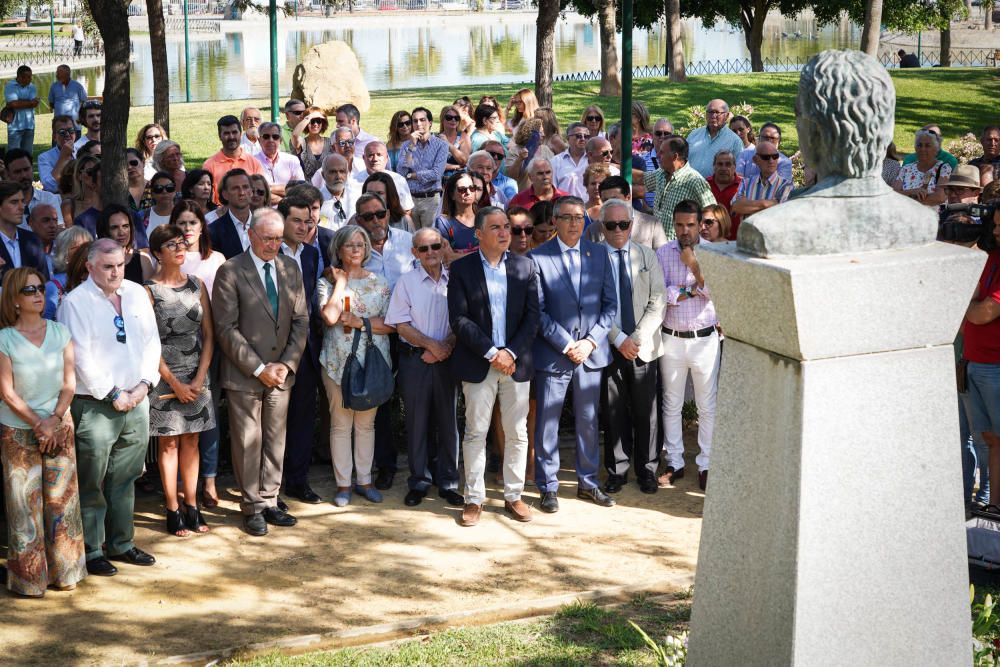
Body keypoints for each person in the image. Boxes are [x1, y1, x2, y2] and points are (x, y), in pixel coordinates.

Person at [57, 238, 161, 576]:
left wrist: (144, 384)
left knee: (126, 477)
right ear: (90, 267)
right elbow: (80, 355)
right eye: (107, 266)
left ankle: (122, 544)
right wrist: (113, 393)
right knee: (92, 480)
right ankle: (91, 549)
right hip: (96, 404)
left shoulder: (135, 293)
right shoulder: (75, 302)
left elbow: (151, 341)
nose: (115, 272)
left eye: (119, 264)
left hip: (137, 398)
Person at [212, 208, 308, 536]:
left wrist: (286, 364)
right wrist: (258, 368)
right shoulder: (230, 270)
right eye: (267, 238)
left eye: (279, 239)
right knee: (247, 440)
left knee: (275, 437)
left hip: (282, 373)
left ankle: (270, 499)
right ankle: (252, 505)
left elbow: (300, 321)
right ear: (251, 235)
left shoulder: (290, 267)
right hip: (244, 374)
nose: (272, 245)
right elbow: (225, 328)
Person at [448, 207, 539, 526]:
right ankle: (474, 499)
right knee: (476, 432)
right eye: (496, 227)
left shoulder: (525, 267)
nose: (504, 233)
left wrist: (510, 352)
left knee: (517, 432)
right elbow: (458, 319)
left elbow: (533, 317)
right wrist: (491, 352)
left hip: (516, 363)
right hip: (478, 362)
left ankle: (513, 495)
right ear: (479, 233)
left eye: (507, 228)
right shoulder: (462, 269)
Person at [0, 267, 85, 596]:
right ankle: (29, 582)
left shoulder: (60, 332)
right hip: (18, 430)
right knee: (25, 507)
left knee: (61, 503)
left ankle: (65, 574)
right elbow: (6, 392)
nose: (39, 294)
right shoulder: (5, 338)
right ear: (15, 300)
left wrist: (54, 420)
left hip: (59, 427)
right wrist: (39, 424)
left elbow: (69, 383)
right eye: (30, 290)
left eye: (41, 288)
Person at [530, 196, 617, 512]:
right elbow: (537, 312)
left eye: (579, 217)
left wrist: (591, 342)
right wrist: (567, 344)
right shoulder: (537, 257)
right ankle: (548, 486)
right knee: (548, 424)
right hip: (556, 355)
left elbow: (610, 306)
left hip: (590, 354)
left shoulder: (599, 253)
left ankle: (588, 483)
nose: (574, 223)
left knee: (589, 421)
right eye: (566, 217)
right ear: (554, 221)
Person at [145, 224, 215, 537]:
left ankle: (192, 505)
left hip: (198, 373)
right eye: (171, 245)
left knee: (193, 440)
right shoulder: (148, 291)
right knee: (169, 441)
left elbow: (210, 335)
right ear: (158, 253)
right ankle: (172, 509)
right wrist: (173, 382)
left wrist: (199, 377)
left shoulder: (197, 284)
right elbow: (147, 342)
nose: (179, 248)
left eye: (182, 243)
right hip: (164, 375)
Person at [384, 228, 461, 507]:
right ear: (414, 253)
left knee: (448, 421)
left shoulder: (456, 279)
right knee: (417, 423)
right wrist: (431, 347)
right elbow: (400, 324)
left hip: (448, 359)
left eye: (435, 246)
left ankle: (449, 481)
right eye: (423, 248)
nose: (430, 252)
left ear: (443, 248)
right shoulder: (406, 282)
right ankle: (419, 481)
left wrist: (444, 349)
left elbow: (462, 320)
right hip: (415, 360)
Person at [316, 225, 392, 507]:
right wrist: (341, 284)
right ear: (339, 250)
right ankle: (343, 485)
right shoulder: (327, 283)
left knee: (366, 424)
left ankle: (364, 480)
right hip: (336, 361)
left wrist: (362, 323)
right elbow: (331, 317)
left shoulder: (381, 283)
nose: (357, 249)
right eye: (350, 245)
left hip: (372, 361)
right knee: (340, 424)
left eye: (361, 244)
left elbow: (393, 325)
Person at [597, 199, 666, 495]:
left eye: (623, 224)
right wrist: (617, 339)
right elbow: (593, 303)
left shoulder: (647, 255)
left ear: (632, 225)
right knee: (614, 413)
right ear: (602, 227)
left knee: (647, 412)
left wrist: (635, 339)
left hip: (642, 347)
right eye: (611, 225)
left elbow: (658, 300)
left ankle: (648, 470)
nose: (617, 230)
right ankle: (618, 470)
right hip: (608, 346)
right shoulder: (594, 257)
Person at [657, 200, 720, 492]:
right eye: (680, 225)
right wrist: (690, 290)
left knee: (707, 405)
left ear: (700, 224)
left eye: (691, 225)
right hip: (671, 337)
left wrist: (693, 265)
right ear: (674, 223)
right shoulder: (662, 252)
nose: (685, 231)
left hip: (705, 339)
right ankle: (675, 461)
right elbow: (661, 293)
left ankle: (706, 463)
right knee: (672, 404)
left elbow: (714, 292)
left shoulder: (714, 252)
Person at [174, 200, 226, 507]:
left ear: (202, 226)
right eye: (181, 223)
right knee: (179, 417)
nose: (187, 229)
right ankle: (182, 482)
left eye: (192, 223)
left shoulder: (216, 259)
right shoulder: (168, 259)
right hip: (176, 349)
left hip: (210, 344)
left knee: (209, 416)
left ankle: (209, 479)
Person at [276, 195, 323, 504]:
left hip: (306, 347)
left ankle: (298, 479)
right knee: (273, 420)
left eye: (308, 221)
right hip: (274, 348)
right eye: (297, 220)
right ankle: (269, 486)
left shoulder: (311, 255)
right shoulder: (268, 254)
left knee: (303, 416)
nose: (304, 226)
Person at [961, 209, 1000, 512]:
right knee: (990, 440)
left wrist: (958, 303)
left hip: (995, 368)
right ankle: (994, 509)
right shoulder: (990, 257)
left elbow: (982, 313)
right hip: (974, 363)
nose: (996, 230)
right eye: (994, 224)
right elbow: (970, 297)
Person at [645, 135, 717, 238]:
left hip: (681, 249)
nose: (657, 155)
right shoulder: (661, 173)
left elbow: (712, 213)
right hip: (658, 246)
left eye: (662, 152)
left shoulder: (694, 180)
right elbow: (642, 179)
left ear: (675, 157)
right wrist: (616, 168)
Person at [397, 107, 449, 229]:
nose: (418, 124)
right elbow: (401, 172)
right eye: (415, 121)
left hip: (430, 199)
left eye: (422, 120)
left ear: (430, 123)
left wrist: (412, 175)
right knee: (412, 239)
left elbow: (436, 174)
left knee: (430, 238)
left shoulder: (441, 145)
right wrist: (412, 145)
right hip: (410, 200)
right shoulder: (407, 145)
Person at [584, 176, 668, 250]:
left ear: (628, 197)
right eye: (606, 200)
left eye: (615, 199)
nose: (610, 203)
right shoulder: (593, 229)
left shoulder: (652, 224)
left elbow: (662, 257)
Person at [202, 115, 263, 204]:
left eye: (234, 132)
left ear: (240, 133)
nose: (231, 137)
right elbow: (208, 200)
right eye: (226, 133)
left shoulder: (254, 163)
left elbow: (261, 194)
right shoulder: (209, 165)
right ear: (220, 136)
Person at [731, 141, 794, 220]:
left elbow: (782, 213)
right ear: (755, 160)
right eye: (766, 157)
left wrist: (747, 205)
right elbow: (736, 207)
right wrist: (767, 204)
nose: (771, 161)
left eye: (775, 156)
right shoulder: (746, 182)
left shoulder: (786, 185)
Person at [0, 180, 48, 283]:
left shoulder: (33, 240)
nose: (22, 207)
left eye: (22, 201)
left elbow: (44, 281)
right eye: (14, 202)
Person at [686, 99, 745, 178]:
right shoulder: (694, 135)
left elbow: (738, 172)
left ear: (727, 116)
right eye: (710, 112)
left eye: (717, 112)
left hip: (718, 189)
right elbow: (683, 161)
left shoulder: (735, 141)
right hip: (690, 186)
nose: (713, 116)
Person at [892, 129, 952, 207]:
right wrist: (912, 192)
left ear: (936, 149)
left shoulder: (943, 169)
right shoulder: (906, 169)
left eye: (927, 146)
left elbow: (940, 197)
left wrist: (907, 200)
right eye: (919, 145)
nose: (922, 149)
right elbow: (893, 193)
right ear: (915, 148)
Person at [5, 148, 63, 228]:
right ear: (7, 174)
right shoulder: (4, 205)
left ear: (32, 168)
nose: (24, 175)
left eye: (26, 169)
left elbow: (59, 229)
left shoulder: (49, 199)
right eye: (17, 172)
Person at [96, 204, 153, 284]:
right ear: (104, 231)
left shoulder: (143, 259)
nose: (121, 233)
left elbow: (148, 295)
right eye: (114, 227)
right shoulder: (96, 260)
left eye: (125, 226)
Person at [434, 170, 484, 261]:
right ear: (452, 195)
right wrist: (482, 255)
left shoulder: (485, 217)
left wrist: (458, 255)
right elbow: (447, 258)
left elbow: (495, 252)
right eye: (462, 190)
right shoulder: (443, 222)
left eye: (472, 188)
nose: (468, 192)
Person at [45, 226, 91, 319]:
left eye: (87, 247)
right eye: (78, 248)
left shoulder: (96, 278)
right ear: (64, 253)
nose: (84, 252)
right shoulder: (53, 287)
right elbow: (46, 324)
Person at [208, 168, 254, 259]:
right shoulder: (213, 232)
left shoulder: (265, 225)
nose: (242, 193)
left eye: (245, 187)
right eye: (235, 188)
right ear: (225, 195)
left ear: (251, 191)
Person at [357, 141, 413, 212]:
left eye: (379, 155)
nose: (375, 159)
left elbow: (407, 210)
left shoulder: (398, 180)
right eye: (371, 155)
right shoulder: (352, 182)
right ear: (363, 158)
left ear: (386, 158)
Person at [255, 122, 304, 199]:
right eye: (266, 136)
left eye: (275, 137)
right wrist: (286, 195)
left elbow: (300, 189)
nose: (271, 140)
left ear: (280, 140)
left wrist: (268, 188)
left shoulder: (292, 160)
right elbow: (255, 193)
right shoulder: (252, 161)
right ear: (259, 140)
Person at [706, 150, 741, 238]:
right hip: (708, 241)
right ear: (714, 166)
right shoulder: (705, 184)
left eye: (728, 164)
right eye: (720, 164)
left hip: (735, 241)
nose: (724, 168)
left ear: (734, 167)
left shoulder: (744, 186)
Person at [38, 115, 78, 194]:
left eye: (71, 130)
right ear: (54, 137)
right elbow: (49, 186)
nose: (67, 135)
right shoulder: (44, 158)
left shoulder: (83, 151)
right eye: (62, 132)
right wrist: (63, 158)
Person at [552, 122, 591, 200]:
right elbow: (552, 188)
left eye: (586, 136)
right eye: (578, 136)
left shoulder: (593, 159)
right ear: (567, 138)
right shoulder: (555, 161)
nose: (583, 139)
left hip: (588, 208)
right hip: (563, 208)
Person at [292, 108, 332, 182]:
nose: (315, 124)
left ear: (323, 123)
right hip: (307, 188)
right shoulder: (302, 142)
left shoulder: (330, 142)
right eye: (312, 121)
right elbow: (295, 135)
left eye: (318, 121)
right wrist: (309, 117)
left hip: (327, 187)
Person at [4, 66, 38, 153]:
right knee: (13, 155)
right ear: (20, 77)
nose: (31, 79)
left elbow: (35, 103)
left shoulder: (32, 87)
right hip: (14, 127)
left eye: (31, 76)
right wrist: (29, 102)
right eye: (29, 77)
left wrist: (19, 102)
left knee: (28, 154)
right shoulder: (10, 86)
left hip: (29, 125)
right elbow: (14, 104)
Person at [317, 154, 355, 228]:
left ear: (347, 173)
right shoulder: (315, 200)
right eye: (333, 172)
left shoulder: (356, 196)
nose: (338, 176)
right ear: (323, 175)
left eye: (342, 171)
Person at [65, 155, 100, 231]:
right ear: (79, 176)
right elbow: (71, 236)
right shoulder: (69, 205)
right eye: (90, 172)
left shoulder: (107, 201)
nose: (94, 176)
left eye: (97, 172)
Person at [48, 65, 87, 132]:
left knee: (76, 142)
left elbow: (84, 102)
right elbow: (51, 103)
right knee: (57, 142)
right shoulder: (54, 86)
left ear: (67, 74)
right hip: (59, 125)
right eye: (57, 72)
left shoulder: (77, 86)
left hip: (75, 125)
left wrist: (80, 117)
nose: (56, 75)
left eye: (59, 72)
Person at [438, 104, 472, 181]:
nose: (453, 120)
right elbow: (435, 165)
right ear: (442, 119)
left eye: (456, 118)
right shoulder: (436, 139)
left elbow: (464, 160)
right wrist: (457, 166)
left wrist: (448, 144)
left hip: (460, 178)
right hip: (440, 180)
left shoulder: (463, 136)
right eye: (449, 118)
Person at [139, 171, 177, 237]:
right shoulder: (142, 216)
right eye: (159, 189)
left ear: (175, 191)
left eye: (169, 187)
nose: (164, 192)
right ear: (152, 193)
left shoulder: (184, 213)